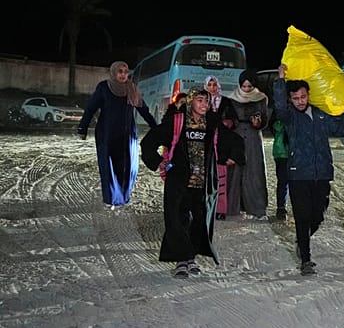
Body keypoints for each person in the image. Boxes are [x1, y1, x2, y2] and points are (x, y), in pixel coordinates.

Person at [141, 88, 245, 278]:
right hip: (179, 181)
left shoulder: (212, 123)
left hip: (203, 183)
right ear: (190, 102)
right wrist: (158, 161)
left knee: (199, 221)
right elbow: (149, 141)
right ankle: (182, 260)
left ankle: (191, 259)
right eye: (199, 101)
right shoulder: (176, 121)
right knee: (177, 220)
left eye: (206, 101)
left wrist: (233, 156)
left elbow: (233, 139)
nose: (204, 105)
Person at [273, 63, 344, 276]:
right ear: (290, 100)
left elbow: (339, 129)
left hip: (321, 173)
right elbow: (279, 108)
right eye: (295, 98)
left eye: (303, 97)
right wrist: (280, 79)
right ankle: (306, 258)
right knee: (302, 216)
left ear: (308, 95)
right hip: (298, 174)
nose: (300, 101)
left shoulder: (320, 115)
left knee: (317, 216)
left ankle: (302, 240)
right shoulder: (290, 117)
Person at [77, 61, 158, 210]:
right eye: (120, 71)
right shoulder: (104, 88)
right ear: (114, 73)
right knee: (109, 167)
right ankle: (111, 199)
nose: (123, 75)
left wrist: (156, 128)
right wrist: (83, 127)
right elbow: (90, 108)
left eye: (125, 72)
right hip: (107, 134)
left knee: (128, 167)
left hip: (127, 136)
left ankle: (124, 197)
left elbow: (144, 110)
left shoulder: (131, 89)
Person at [227, 69, 270, 219]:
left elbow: (265, 120)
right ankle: (233, 207)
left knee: (254, 171)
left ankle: (256, 208)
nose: (246, 89)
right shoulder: (232, 98)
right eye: (244, 86)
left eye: (249, 87)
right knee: (235, 171)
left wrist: (258, 123)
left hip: (253, 137)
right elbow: (228, 118)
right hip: (237, 136)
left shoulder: (261, 98)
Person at [206, 76, 237, 221]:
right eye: (210, 85)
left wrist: (227, 123)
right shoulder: (202, 101)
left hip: (222, 145)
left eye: (214, 84)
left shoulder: (226, 102)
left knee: (221, 178)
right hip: (206, 145)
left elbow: (233, 120)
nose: (212, 87)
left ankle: (220, 209)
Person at [270, 109, 290, 221]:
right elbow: (275, 127)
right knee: (283, 181)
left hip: (295, 152)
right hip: (281, 152)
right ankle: (281, 208)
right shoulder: (278, 111)